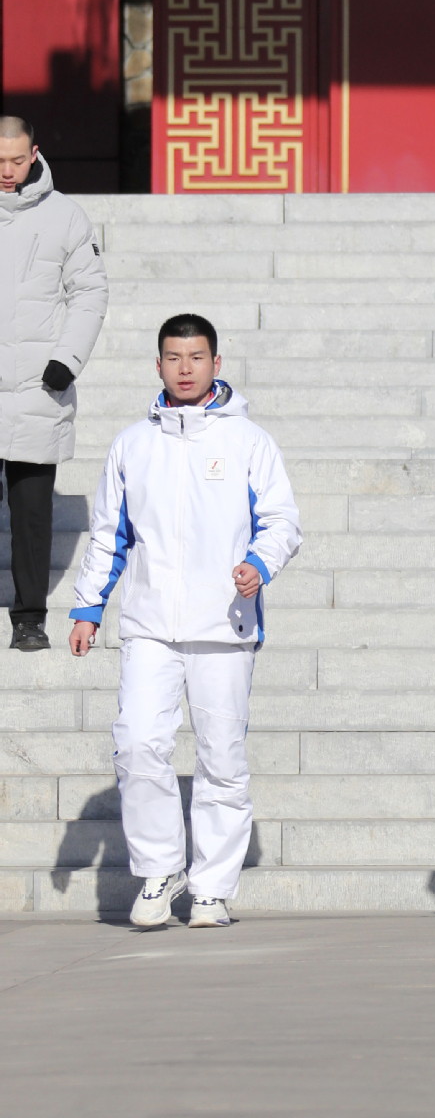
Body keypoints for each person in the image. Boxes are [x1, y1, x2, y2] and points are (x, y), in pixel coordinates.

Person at [66, 314, 302, 929]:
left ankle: (212, 889)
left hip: (224, 625)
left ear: (216, 364)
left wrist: (258, 563)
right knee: (138, 744)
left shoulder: (248, 441)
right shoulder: (131, 445)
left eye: (197, 357)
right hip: (149, 626)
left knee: (222, 758)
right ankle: (158, 871)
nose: (186, 368)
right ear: (159, 365)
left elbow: (281, 522)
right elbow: (108, 534)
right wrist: (88, 606)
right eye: (174, 357)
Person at [0, 115, 109, 651]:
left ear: (35, 152)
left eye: (17, 160)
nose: (7, 170)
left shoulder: (65, 215)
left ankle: (28, 617)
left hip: (38, 386)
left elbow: (90, 292)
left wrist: (66, 359)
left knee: (32, 511)